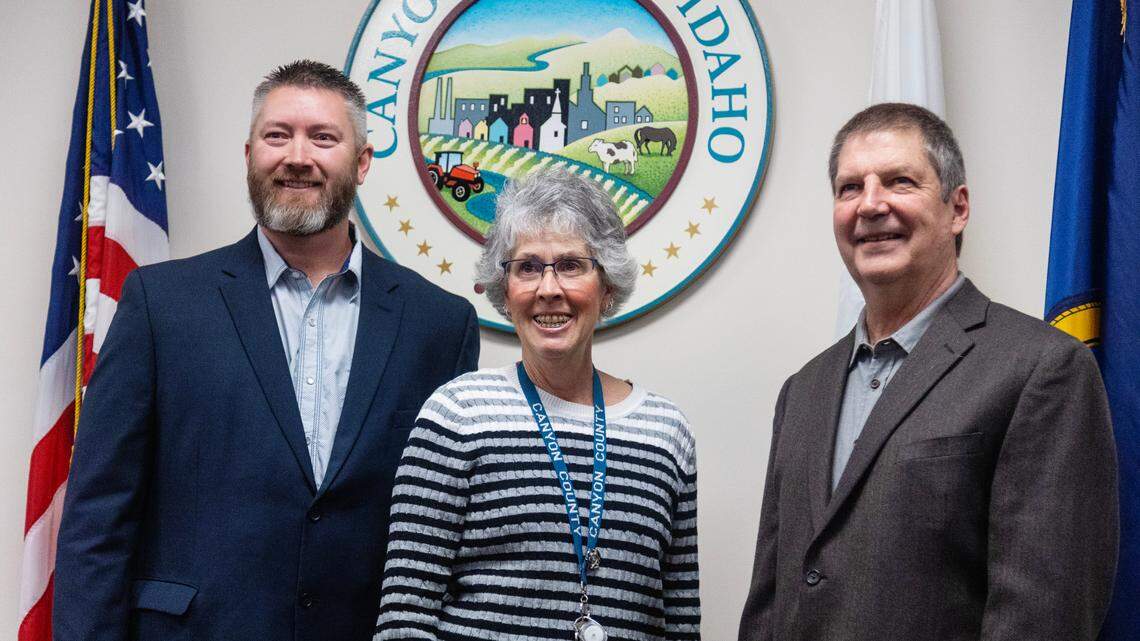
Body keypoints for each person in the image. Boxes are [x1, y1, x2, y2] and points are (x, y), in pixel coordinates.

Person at [53, 60, 479, 641]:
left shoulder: (440, 325)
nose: (297, 156)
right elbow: (98, 516)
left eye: (323, 138)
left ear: (362, 163)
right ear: (250, 154)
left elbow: (446, 531)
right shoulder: (161, 304)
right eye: (278, 135)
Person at [738, 103, 1119, 640]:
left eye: (900, 181)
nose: (871, 204)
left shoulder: (1043, 369)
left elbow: (1045, 615)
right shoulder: (802, 391)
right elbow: (769, 602)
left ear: (957, 208)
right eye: (850, 188)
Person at [374, 170, 700, 641]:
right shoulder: (457, 415)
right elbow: (405, 619)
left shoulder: (666, 432)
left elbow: (682, 623)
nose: (549, 288)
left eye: (571, 265)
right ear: (505, 291)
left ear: (607, 287)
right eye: (527, 267)